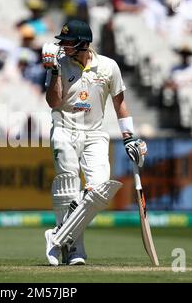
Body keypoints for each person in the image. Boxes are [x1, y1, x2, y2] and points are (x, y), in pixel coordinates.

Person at [41, 20, 147, 266]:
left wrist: (129, 137)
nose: (64, 46)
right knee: (68, 185)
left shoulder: (109, 66)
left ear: (84, 43)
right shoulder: (60, 63)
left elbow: (120, 103)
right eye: (63, 42)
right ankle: (75, 248)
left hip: (95, 133)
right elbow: (54, 102)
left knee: (99, 189)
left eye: (69, 42)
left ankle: (57, 235)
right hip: (65, 129)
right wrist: (54, 70)